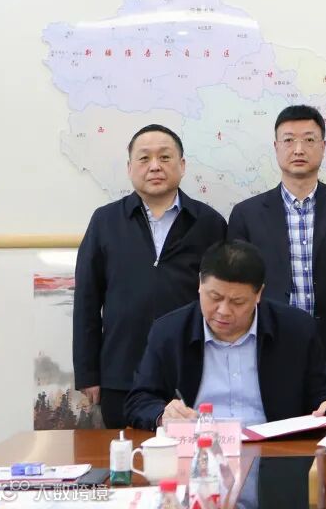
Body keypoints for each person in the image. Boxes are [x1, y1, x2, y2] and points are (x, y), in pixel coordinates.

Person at [73, 124, 227, 428]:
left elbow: (224, 300)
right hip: (120, 373)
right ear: (130, 168)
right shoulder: (105, 221)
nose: (155, 166)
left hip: (192, 370)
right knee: (125, 453)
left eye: (165, 157)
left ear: (182, 165)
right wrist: (88, 373)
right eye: (144, 158)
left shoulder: (209, 223)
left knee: (192, 451)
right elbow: (87, 301)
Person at [227, 105, 326, 407]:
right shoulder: (246, 214)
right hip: (267, 350)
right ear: (276, 147)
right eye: (288, 140)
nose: (298, 149)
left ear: (323, 146)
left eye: (309, 140)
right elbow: (236, 292)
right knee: (272, 433)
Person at [124, 240, 326, 431]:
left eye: (237, 302)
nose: (223, 311)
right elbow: (139, 400)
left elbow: (324, 394)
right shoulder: (169, 331)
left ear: (259, 294)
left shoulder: (296, 329)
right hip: (199, 450)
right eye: (215, 297)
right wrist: (163, 415)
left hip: (276, 452)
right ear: (200, 284)